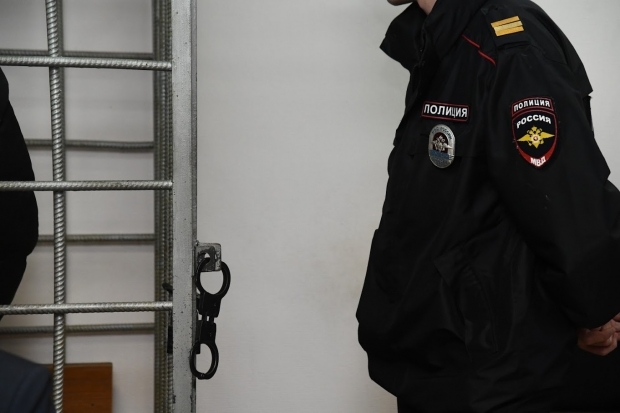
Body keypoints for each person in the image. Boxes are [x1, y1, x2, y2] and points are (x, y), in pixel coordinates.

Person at [356, 0, 620, 412]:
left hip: (500, 372)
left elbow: (564, 197)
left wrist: (594, 312)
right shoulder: (443, 41)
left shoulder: (507, 45)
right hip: (439, 360)